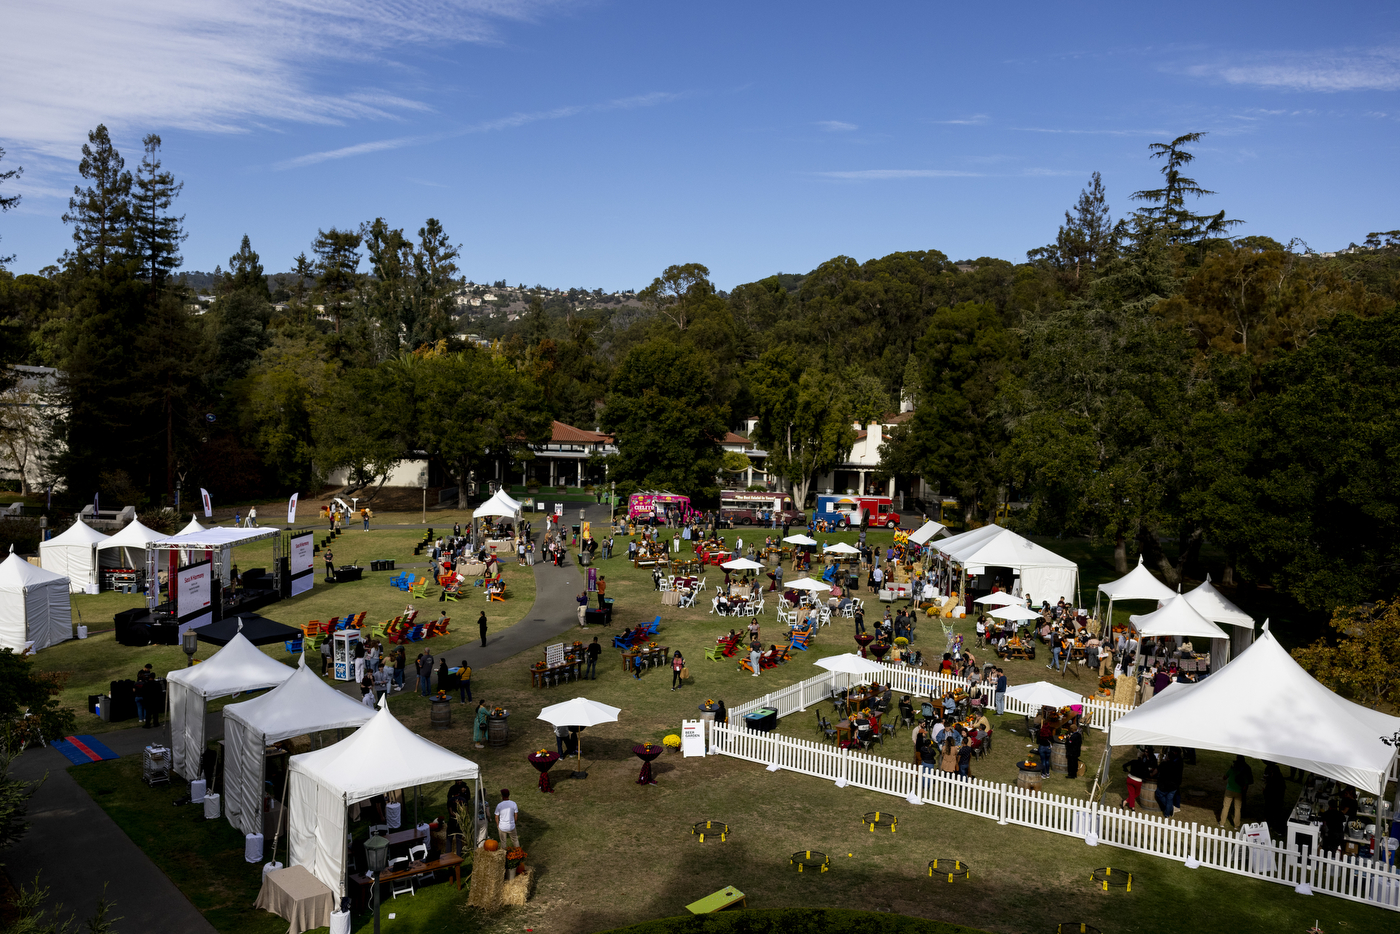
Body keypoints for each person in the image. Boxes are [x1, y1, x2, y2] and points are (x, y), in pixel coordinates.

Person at [1154, 747, 1184, 818]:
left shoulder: (1164, 764)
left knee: (1159, 794)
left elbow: (1155, 772)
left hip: (1165, 785)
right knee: (1169, 799)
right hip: (1174, 785)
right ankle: (1167, 814)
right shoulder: (1177, 764)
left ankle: (1170, 808)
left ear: (1168, 758)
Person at [1220, 755, 1248, 829]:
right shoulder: (1243, 773)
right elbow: (1245, 784)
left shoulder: (1231, 770)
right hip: (1238, 791)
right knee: (1237, 808)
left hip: (1229, 790)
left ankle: (1222, 823)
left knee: (1226, 806)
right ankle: (1236, 825)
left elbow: (1224, 778)